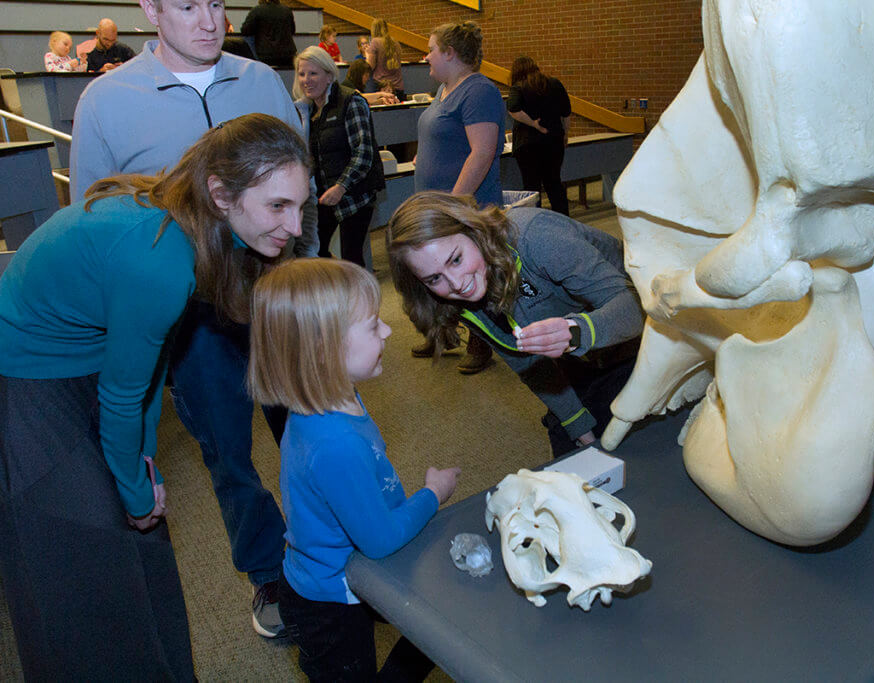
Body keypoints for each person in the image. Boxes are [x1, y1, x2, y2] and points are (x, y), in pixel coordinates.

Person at [0, 114, 310, 681]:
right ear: (220, 194)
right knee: (85, 551)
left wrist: (142, 465)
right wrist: (138, 494)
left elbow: (149, 373)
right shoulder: (162, 262)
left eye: (299, 206)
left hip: (87, 355)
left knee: (139, 526)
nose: (293, 226)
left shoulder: (195, 232)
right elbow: (124, 393)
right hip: (25, 373)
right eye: (277, 207)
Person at [70, 0, 319, 639]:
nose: (209, 20)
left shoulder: (263, 80)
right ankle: (269, 572)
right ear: (150, 8)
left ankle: (334, 545)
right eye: (187, 5)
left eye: (217, 3)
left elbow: (301, 191)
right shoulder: (105, 100)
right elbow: (94, 222)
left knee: (315, 425)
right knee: (228, 452)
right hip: (191, 315)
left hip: (274, 293)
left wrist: (310, 279)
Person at [248, 257, 460, 682]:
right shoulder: (334, 443)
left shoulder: (339, 399)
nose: (387, 331)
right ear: (325, 351)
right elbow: (379, 541)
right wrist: (432, 494)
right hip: (329, 603)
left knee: (434, 623)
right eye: (373, 325)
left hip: (354, 571)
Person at [387, 191, 644, 457]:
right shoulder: (454, 298)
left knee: (631, 446)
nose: (456, 284)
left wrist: (576, 333)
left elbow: (637, 306)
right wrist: (577, 423)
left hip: (644, 340)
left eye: (456, 259)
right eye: (433, 279)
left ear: (474, 232)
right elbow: (526, 361)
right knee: (570, 447)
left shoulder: (535, 235)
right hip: (579, 356)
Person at [413, 20, 505, 373]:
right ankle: (445, 333)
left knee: (470, 275)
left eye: (432, 49)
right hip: (438, 204)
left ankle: (482, 343)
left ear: (450, 53)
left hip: (465, 207)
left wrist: (454, 205)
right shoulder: (446, 89)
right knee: (438, 272)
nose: (426, 57)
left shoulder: (478, 91)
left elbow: (481, 153)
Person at [294, 46, 386, 265]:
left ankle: (359, 298)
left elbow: (364, 153)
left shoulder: (351, 102)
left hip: (354, 194)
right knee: (314, 251)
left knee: (351, 258)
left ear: (329, 76)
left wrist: (341, 186)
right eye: (302, 74)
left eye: (313, 73)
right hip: (325, 195)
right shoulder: (307, 111)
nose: (307, 80)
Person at [508, 56, 572, 216]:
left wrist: (533, 124)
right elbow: (566, 112)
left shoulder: (518, 87)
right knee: (554, 183)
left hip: (527, 144)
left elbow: (513, 109)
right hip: (553, 140)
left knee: (531, 186)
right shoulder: (554, 83)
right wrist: (564, 134)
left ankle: (534, 221)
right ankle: (565, 221)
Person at [241, 0, 296, 68]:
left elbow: (245, 31)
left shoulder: (257, 10)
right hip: (288, 54)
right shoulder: (287, 10)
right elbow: (292, 31)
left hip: (265, 55)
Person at [365, 18, 405, 101]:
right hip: (398, 87)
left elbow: (370, 66)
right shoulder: (395, 42)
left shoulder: (375, 42)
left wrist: (367, 53)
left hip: (382, 88)